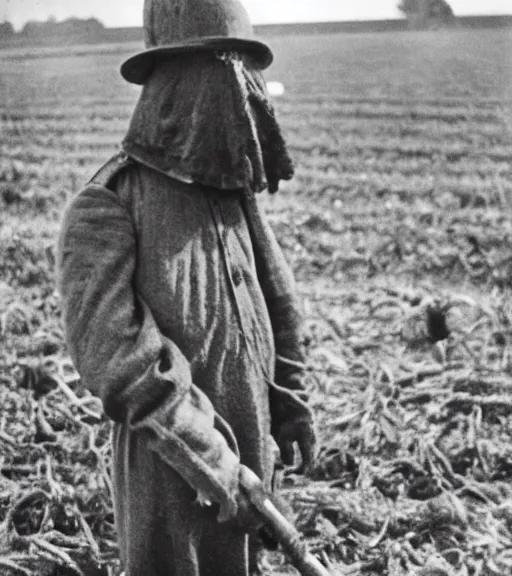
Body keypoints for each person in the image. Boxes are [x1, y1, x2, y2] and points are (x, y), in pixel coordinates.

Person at [57, 0, 317, 574]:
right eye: (218, 66)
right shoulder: (107, 206)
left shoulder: (230, 193)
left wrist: (291, 403)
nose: (239, 88)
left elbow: (276, 299)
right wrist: (216, 467)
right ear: (172, 85)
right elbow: (125, 368)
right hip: (172, 476)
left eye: (242, 65)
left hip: (253, 452)